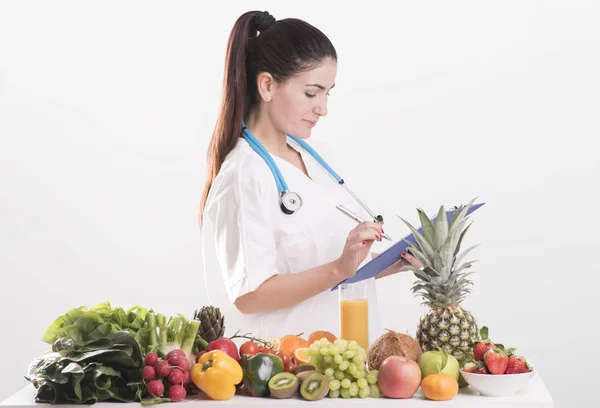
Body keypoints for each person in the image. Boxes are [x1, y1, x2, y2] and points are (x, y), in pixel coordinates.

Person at [198, 10, 421, 342]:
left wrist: (393, 261)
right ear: (267, 85)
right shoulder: (244, 176)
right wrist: (338, 269)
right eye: (311, 93)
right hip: (290, 370)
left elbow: (334, 261)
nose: (323, 108)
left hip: (347, 362)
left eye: (327, 93)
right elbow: (249, 294)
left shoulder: (319, 159)